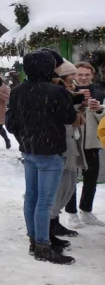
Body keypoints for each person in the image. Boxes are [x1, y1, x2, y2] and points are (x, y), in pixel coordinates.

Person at [6, 49, 78, 264]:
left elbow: (11, 123)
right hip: (50, 151)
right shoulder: (56, 92)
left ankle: (34, 240)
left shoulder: (18, 91)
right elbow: (69, 117)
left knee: (32, 197)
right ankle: (43, 246)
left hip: (29, 150)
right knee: (44, 201)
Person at [48, 61, 86, 245]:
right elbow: (61, 115)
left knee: (70, 184)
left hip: (72, 141)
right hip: (61, 144)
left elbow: (77, 120)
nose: (75, 78)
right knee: (61, 185)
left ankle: (54, 220)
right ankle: (50, 223)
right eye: (71, 75)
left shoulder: (71, 90)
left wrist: (81, 105)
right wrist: (74, 104)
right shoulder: (55, 92)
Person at [65, 61, 104, 227]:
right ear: (74, 75)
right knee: (71, 177)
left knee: (91, 177)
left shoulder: (100, 92)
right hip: (73, 140)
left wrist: (99, 109)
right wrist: (79, 103)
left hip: (91, 140)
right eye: (79, 74)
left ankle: (86, 210)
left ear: (92, 76)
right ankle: (71, 213)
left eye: (87, 75)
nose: (83, 78)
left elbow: (103, 119)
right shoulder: (66, 90)